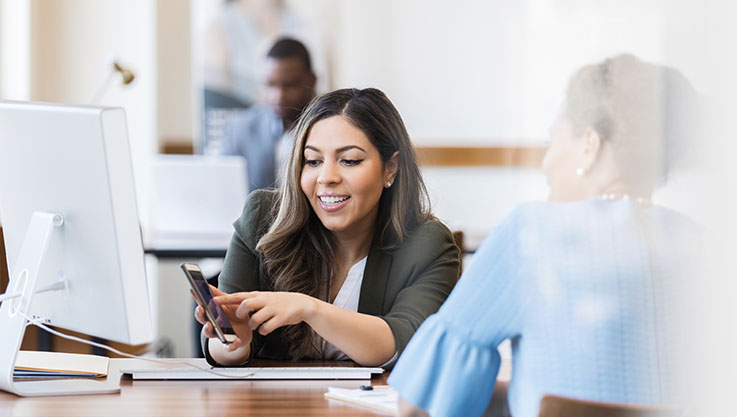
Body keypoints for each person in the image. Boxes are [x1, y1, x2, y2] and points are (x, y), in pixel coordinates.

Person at [389, 54, 704, 417]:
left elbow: (418, 403)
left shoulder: (532, 233)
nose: (547, 162)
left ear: (590, 143)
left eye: (554, 140)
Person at [195, 88, 460, 367]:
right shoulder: (262, 219)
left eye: (349, 160)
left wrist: (310, 309)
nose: (327, 177)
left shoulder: (427, 243)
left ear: (390, 168)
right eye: (313, 161)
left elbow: (405, 344)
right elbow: (222, 351)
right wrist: (234, 340)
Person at [221, 37, 317, 191]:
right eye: (271, 85)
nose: (278, 96)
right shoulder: (240, 129)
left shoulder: (329, 126)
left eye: (289, 85)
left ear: (312, 80)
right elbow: (222, 187)